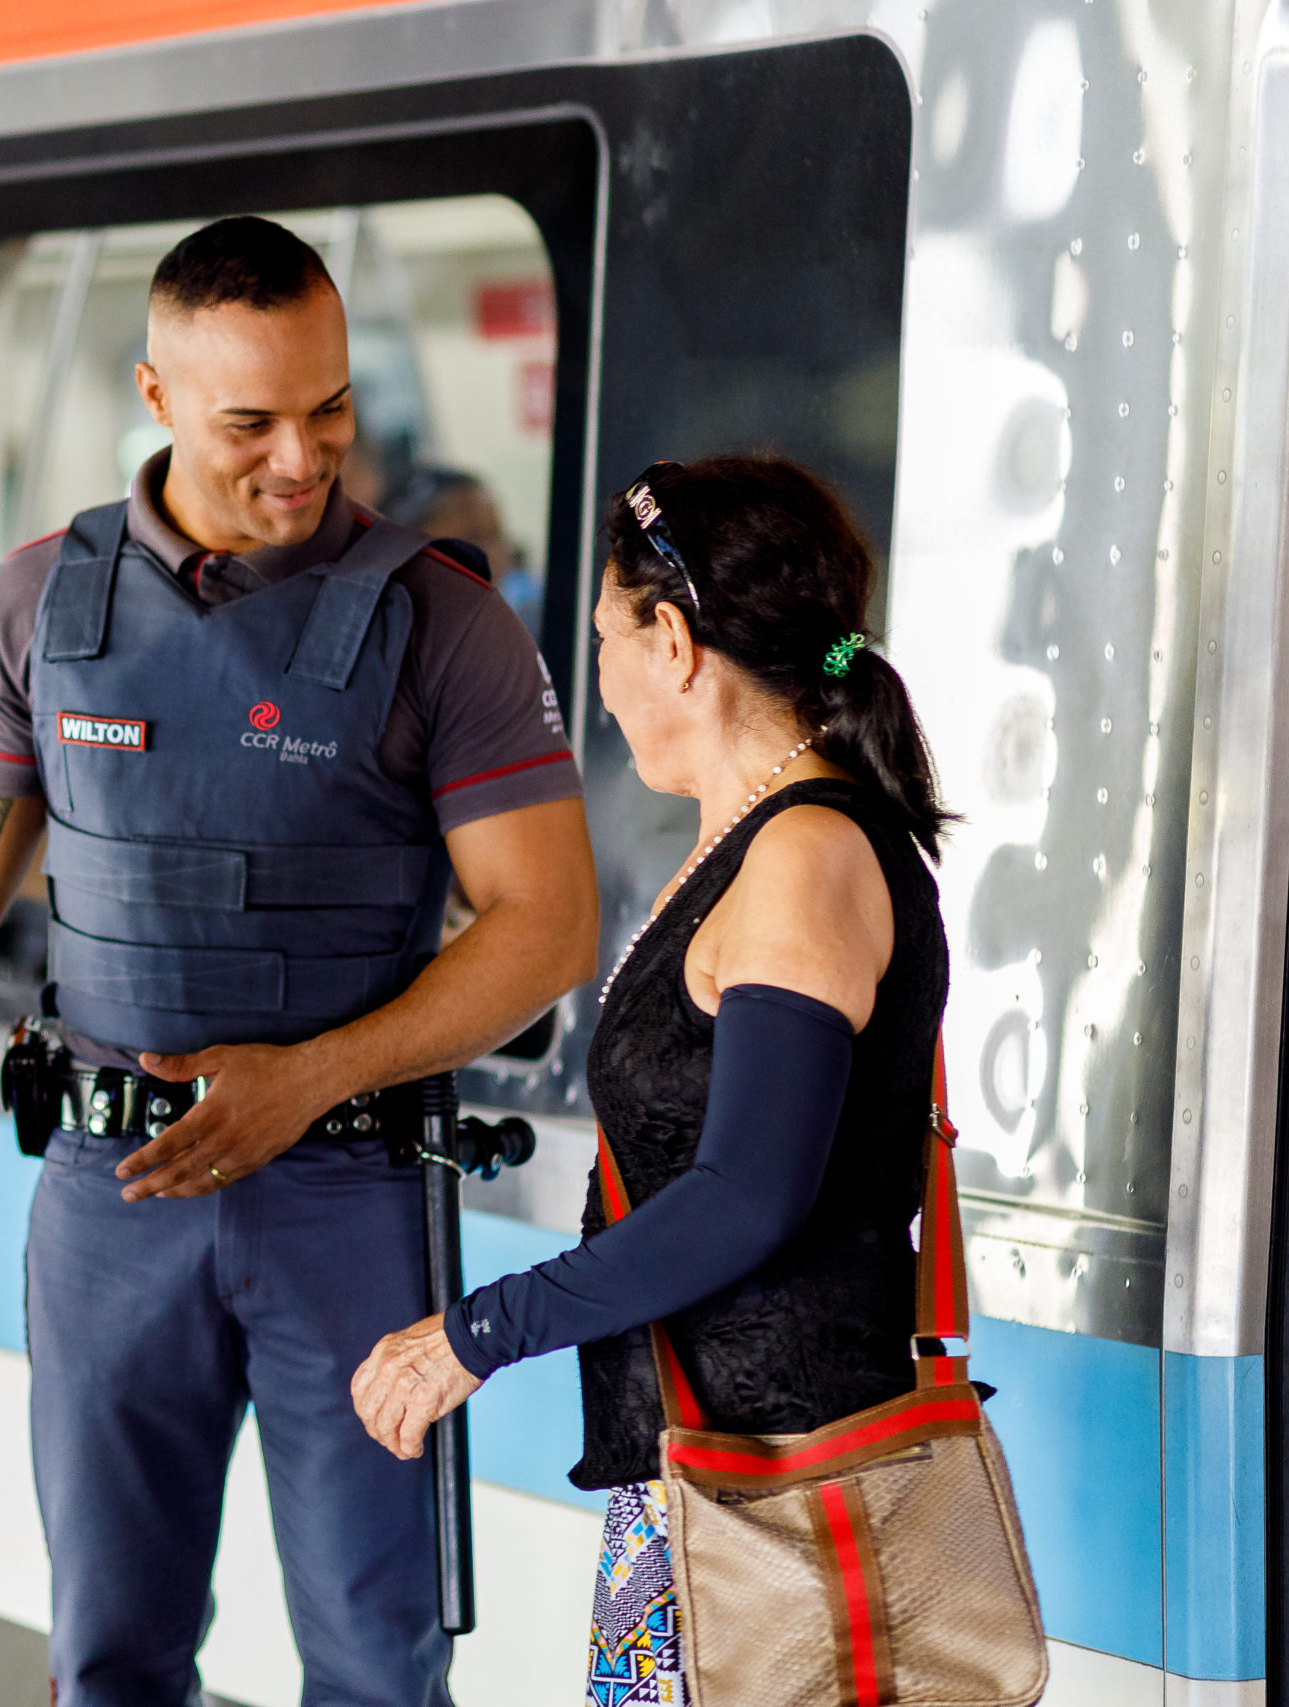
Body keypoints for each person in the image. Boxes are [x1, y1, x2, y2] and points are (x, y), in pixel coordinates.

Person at [0, 215, 601, 1706]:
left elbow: (547, 923)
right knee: (113, 1656)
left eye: (330, 408)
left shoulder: (442, 622)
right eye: (251, 422)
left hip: (349, 1203)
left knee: (372, 1663)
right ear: (153, 395)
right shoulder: (41, 602)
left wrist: (314, 1076)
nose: (303, 455)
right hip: (108, 1204)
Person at [350, 454, 954, 1705]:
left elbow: (745, 1196)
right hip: (714, 1469)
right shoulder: (757, 842)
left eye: (606, 639)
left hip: (779, 1485)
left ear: (674, 642)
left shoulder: (804, 855)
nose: (602, 682)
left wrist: (478, 1334)